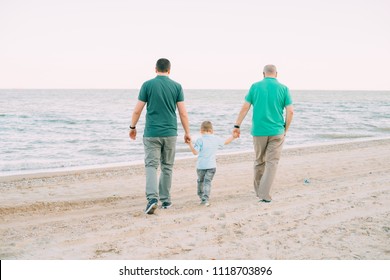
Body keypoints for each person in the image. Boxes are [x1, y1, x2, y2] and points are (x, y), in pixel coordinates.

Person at [129, 58, 191, 214]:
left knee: (151, 166)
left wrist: (132, 127)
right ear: (169, 70)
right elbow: (183, 112)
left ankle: (152, 199)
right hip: (170, 133)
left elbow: (137, 110)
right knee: (167, 166)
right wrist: (187, 132)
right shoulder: (177, 86)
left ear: (155, 69)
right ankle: (166, 200)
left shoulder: (147, 85)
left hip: (151, 133)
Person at [233, 64, 293, 203]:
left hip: (259, 131)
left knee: (259, 161)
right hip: (277, 131)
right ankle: (264, 194)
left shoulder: (255, 86)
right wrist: (286, 128)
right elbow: (290, 111)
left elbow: (245, 107)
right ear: (276, 74)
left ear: (263, 74)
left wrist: (237, 125)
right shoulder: (283, 88)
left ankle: (259, 191)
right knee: (272, 163)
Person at [187, 121, 237, 206]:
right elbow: (225, 142)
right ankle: (205, 199)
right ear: (212, 130)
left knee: (200, 181)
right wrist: (233, 137)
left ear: (201, 130)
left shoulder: (200, 140)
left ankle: (201, 196)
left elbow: (195, 152)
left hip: (201, 166)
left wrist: (190, 144)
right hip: (212, 166)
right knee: (207, 182)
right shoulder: (216, 138)